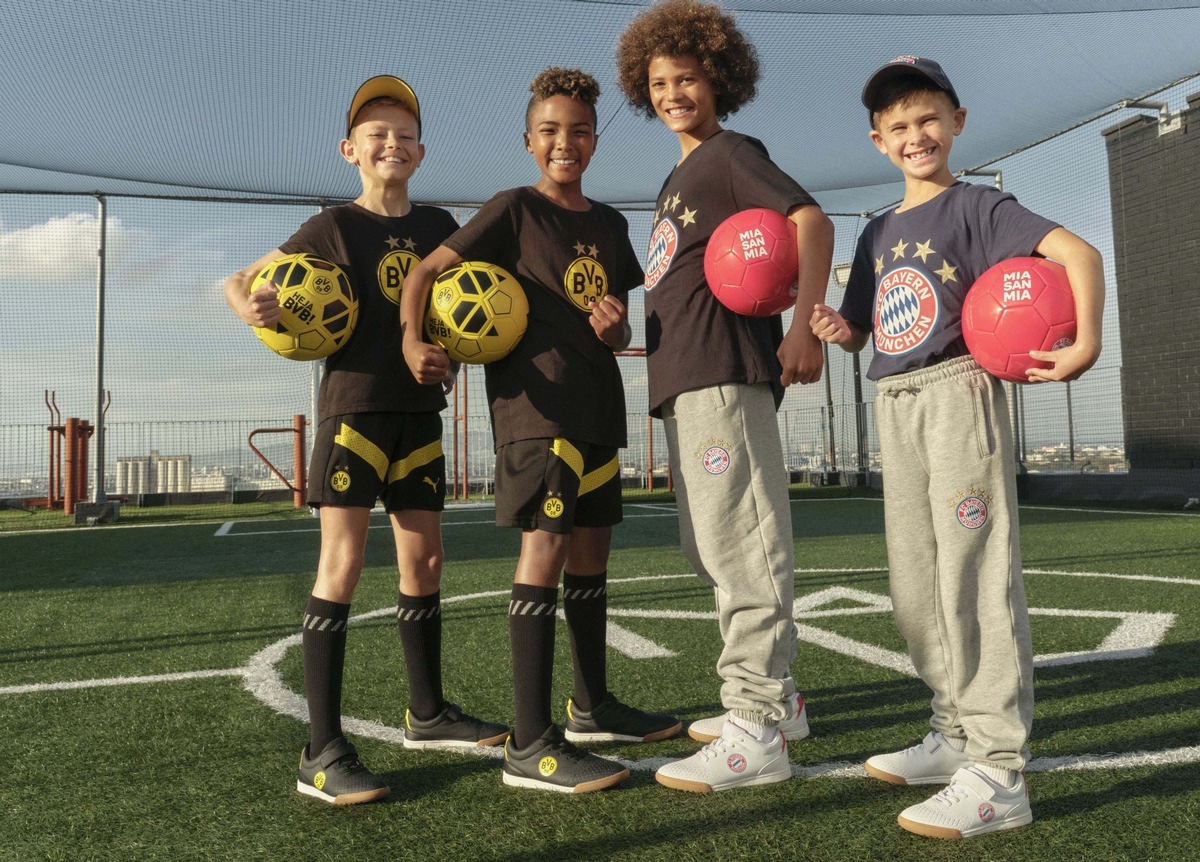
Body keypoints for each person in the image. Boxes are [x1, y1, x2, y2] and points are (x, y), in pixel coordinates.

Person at [810, 56, 1104, 838]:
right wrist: (841, 332)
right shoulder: (875, 231)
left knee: (974, 577)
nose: (916, 135)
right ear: (878, 140)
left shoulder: (979, 206)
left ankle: (1000, 770)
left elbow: (1081, 257)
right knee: (915, 588)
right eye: (899, 126)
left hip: (960, 395)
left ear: (958, 122)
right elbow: (865, 329)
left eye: (929, 118)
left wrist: (1085, 345)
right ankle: (953, 733)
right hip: (895, 403)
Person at [224, 75, 508, 806]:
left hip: (419, 414)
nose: (392, 142)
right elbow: (238, 280)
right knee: (343, 565)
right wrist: (251, 306)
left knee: (428, 561)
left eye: (405, 132)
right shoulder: (333, 227)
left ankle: (428, 712)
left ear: (422, 150)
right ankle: (320, 751)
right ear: (350, 149)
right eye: (377, 133)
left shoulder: (441, 223)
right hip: (352, 412)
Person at [400, 67, 681, 794]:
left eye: (580, 130)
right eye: (551, 131)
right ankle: (529, 745)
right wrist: (413, 340)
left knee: (591, 558)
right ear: (530, 142)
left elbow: (614, 324)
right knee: (545, 554)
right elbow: (425, 272)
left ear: (594, 138)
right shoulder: (513, 210)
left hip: (596, 409)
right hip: (536, 411)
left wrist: (618, 326)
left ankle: (593, 706)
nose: (567, 142)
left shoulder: (611, 227)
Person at [614, 0, 834, 793]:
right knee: (709, 550)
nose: (675, 92)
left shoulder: (733, 152)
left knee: (744, 550)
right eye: (661, 81)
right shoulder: (679, 176)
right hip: (684, 386)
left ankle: (760, 724)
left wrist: (806, 323)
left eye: (690, 78)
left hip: (724, 376)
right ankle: (786, 701)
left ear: (721, 80)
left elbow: (810, 218)